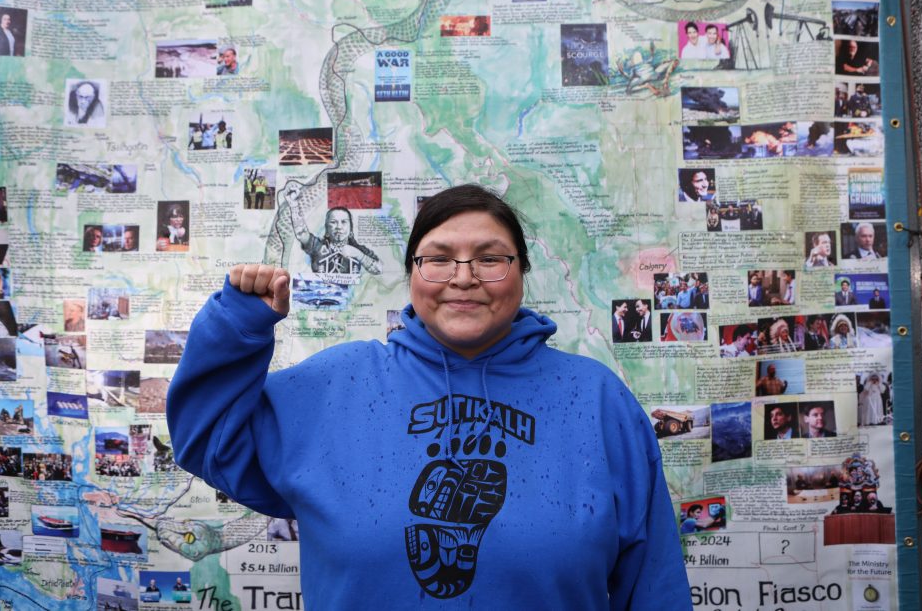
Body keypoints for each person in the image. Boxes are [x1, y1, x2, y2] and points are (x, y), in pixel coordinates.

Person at [167, 184, 692, 608]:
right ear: (413, 275)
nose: (463, 278)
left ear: (523, 274)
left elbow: (653, 582)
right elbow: (208, 440)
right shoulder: (337, 384)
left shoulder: (596, 399)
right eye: (438, 259)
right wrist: (237, 323)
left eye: (491, 259)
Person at [290, 195, 381, 275]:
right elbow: (301, 233)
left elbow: (380, 270)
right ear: (327, 230)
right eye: (333, 222)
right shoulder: (317, 246)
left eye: (344, 222)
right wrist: (293, 205)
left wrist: (360, 256)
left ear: (351, 229)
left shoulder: (359, 249)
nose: (339, 227)